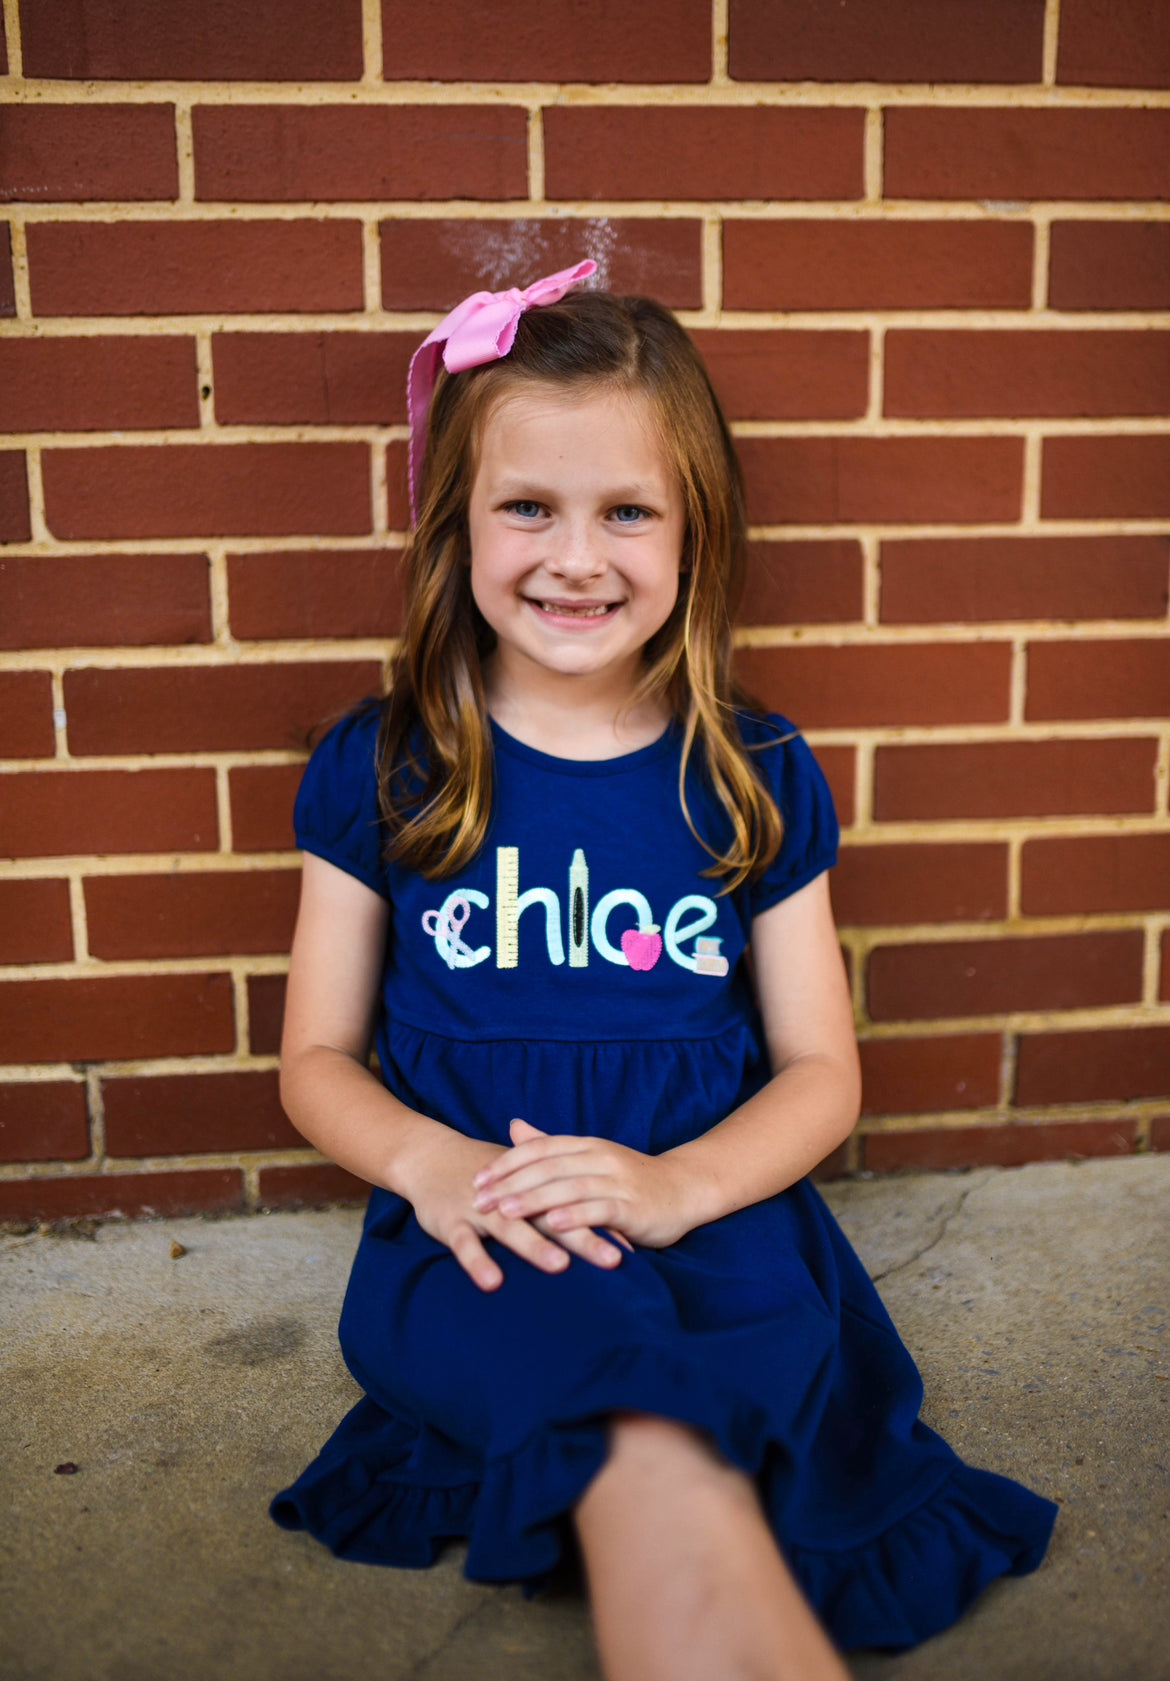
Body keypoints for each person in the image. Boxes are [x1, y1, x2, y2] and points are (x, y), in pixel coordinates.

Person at [271, 261, 1056, 1680]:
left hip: (716, 1201)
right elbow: (313, 1057)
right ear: (455, 523)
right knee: (647, 1443)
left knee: (731, 1401)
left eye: (626, 509)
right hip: (491, 1211)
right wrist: (433, 1168)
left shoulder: (750, 775)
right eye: (528, 506)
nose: (577, 556)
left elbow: (823, 1070)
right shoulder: (386, 768)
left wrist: (678, 1186)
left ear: (698, 533)